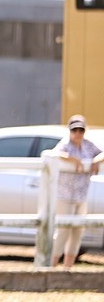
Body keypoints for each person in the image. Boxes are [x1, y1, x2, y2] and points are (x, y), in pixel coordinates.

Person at [52, 114, 103, 269]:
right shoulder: (65, 145)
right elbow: (55, 154)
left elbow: (102, 153)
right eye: (75, 130)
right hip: (65, 195)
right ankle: (50, 267)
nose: (78, 134)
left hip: (81, 195)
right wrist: (73, 159)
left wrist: (96, 161)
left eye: (81, 130)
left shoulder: (88, 145)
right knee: (63, 231)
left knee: (77, 231)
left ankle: (67, 269)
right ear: (70, 131)